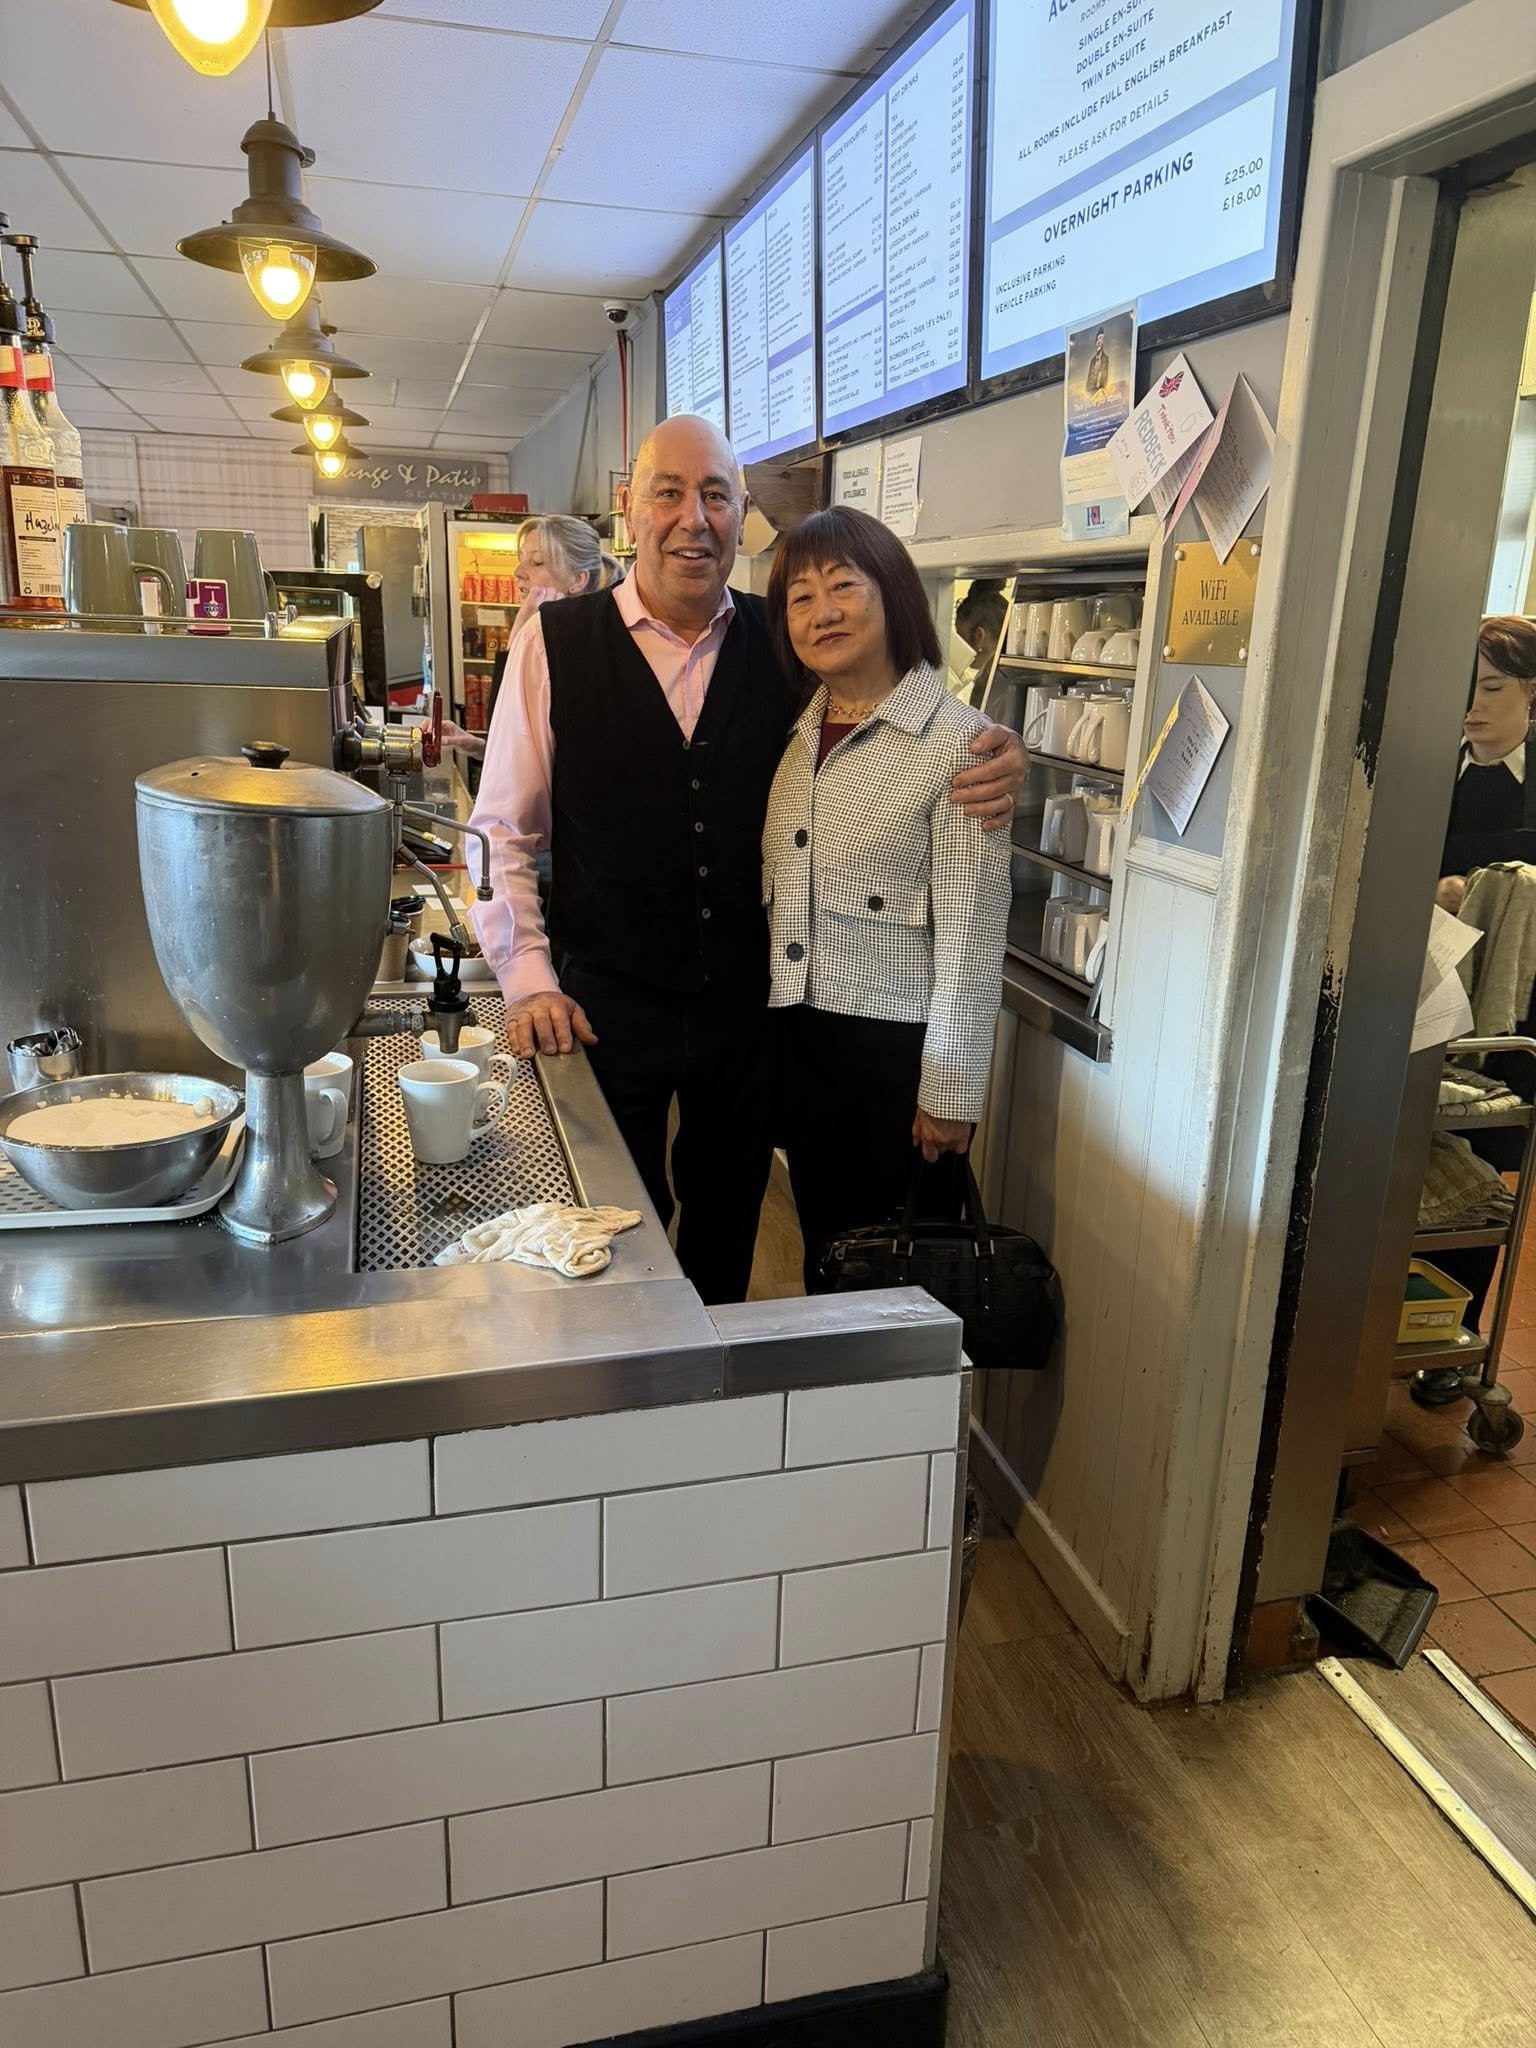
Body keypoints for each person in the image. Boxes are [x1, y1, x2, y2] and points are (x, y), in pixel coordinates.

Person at [468, 414, 1028, 1304]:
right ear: (630, 508)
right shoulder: (555, 643)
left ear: (740, 519)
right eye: (670, 493)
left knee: (727, 1226)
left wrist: (994, 746)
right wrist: (527, 974)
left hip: (750, 1010)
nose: (695, 517)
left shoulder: (789, 640)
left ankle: (713, 1409)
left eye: (718, 496)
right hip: (602, 1001)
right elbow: (500, 831)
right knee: (610, 1225)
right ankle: (621, 1394)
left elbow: (886, 707)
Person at [764, 507, 1012, 1291]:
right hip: (803, 1050)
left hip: (896, 1065)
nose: (822, 611)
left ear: (895, 595)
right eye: (800, 598)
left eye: (843, 586)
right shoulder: (797, 733)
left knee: (891, 1285)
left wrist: (950, 1092)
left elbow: (973, 937)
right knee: (825, 1261)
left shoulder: (959, 746)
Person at [441, 516, 622, 759]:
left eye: (537, 562)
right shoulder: (552, 644)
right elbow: (517, 746)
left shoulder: (585, 655)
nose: (518, 572)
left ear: (578, 580)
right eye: (521, 558)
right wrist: (474, 745)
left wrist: (524, 627)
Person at [1437, 613, 1536, 911]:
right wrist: (1433, 890)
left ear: (1532, 689)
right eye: (1463, 689)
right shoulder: (1428, 770)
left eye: (1491, 688)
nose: (1471, 706)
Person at [954, 580, 1008, 706]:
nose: (960, 647)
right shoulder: (1001, 672)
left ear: (979, 636)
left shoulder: (990, 681)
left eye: (961, 636)